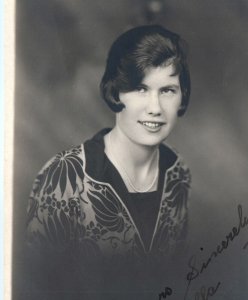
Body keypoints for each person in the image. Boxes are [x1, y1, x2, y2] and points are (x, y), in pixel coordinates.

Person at [26, 24, 191, 299]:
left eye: (168, 90)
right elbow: (36, 287)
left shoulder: (178, 173)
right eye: (140, 89)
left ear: (182, 96)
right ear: (116, 93)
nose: (155, 107)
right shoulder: (65, 177)